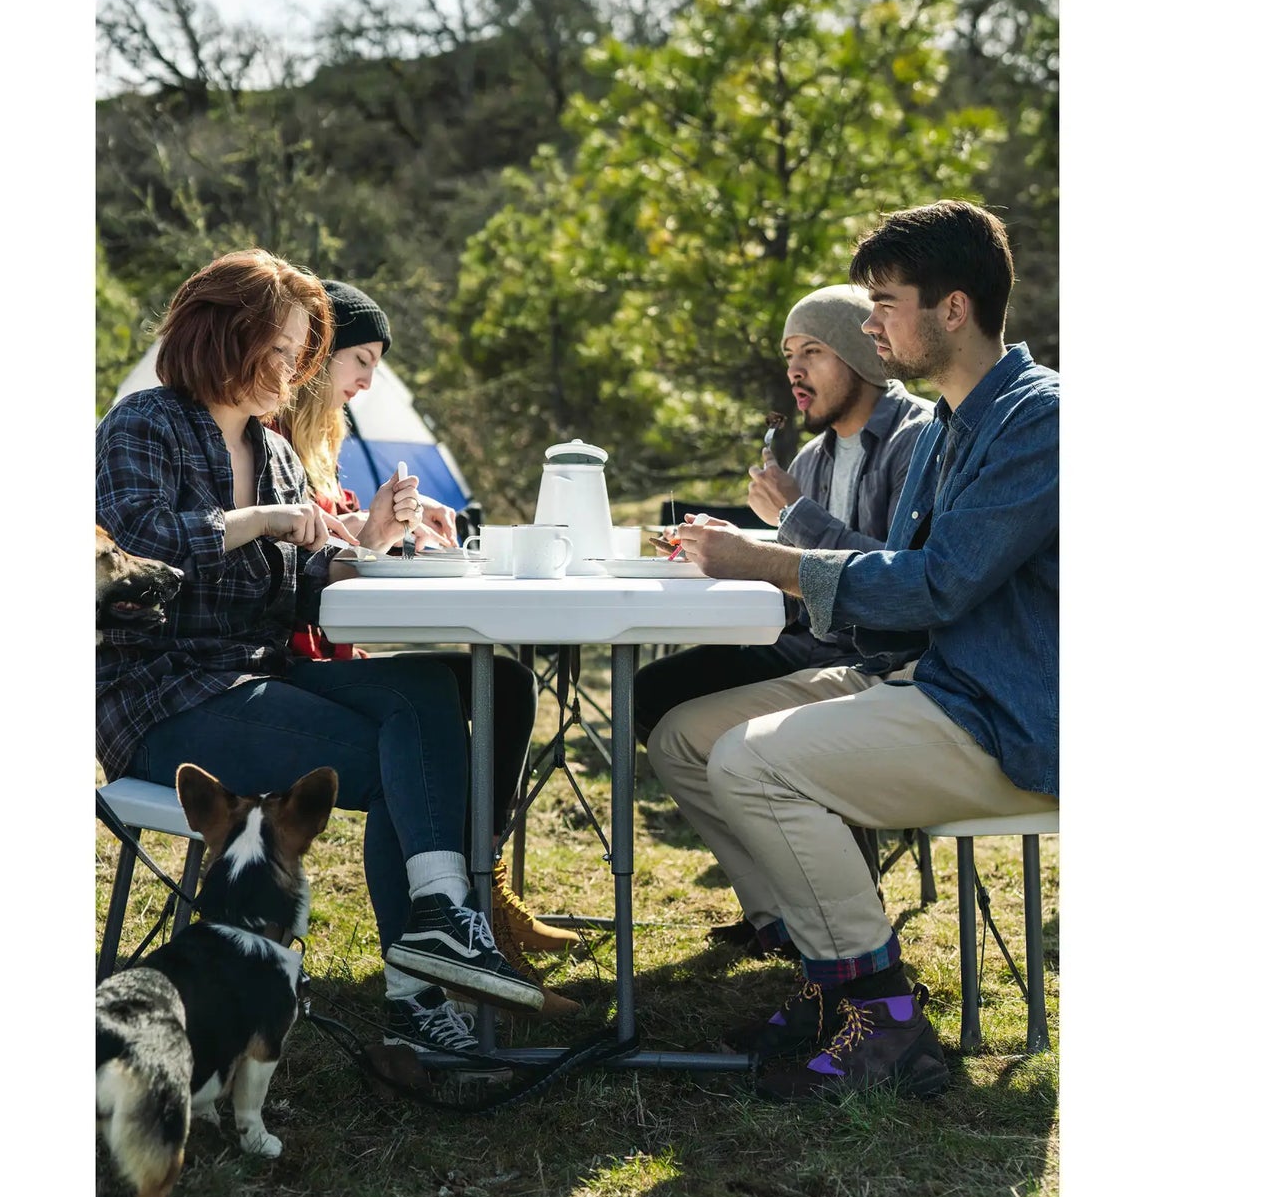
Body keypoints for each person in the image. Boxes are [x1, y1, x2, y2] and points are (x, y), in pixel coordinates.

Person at [647, 200, 1058, 1101]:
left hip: (1003, 714)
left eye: (884, 301)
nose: (869, 323)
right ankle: (824, 971)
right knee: (682, 736)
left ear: (953, 308)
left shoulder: (1041, 421)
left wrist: (771, 560)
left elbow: (937, 584)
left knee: (754, 765)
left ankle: (881, 1019)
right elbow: (901, 583)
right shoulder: (953, 422)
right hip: (926, 674)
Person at [96, 248, 542, 1055]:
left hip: (255, 673)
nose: (292, 368)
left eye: (301, 351)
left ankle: (436, 928)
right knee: (404, 747)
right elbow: (137, 551)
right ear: (221, 334)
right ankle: (418, 987)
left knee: (427, 692)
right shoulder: (144, 424)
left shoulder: (269, 452)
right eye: (280, 348)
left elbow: (301, 591)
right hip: (165, 697)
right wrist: (265, 520)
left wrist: (363, 546)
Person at [273, 279, 582, 1012]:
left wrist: (396, 519)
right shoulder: (266, 436)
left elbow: (339, 530)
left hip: (328, 652)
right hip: (294, 662)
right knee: (426, 703)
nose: (366, 381)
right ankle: (454, 926)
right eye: (360, 359)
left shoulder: (318, 445)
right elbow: (310, 568)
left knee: (502, 683)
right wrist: (375, 533)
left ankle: (479, 885)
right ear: (314, 357)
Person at [632, 283, 932, 958]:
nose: (793, 370)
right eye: (787, 354)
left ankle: (816, 903)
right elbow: (794, 580)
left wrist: (790, 519)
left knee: (666, 699)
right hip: (812, 643)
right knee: (654, 694)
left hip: (875, 656)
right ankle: (781, 913)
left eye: (813, 352)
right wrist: (726, 547)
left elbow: (899, 578)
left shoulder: (916, 439)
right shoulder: (812, 457)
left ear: (858, 354)